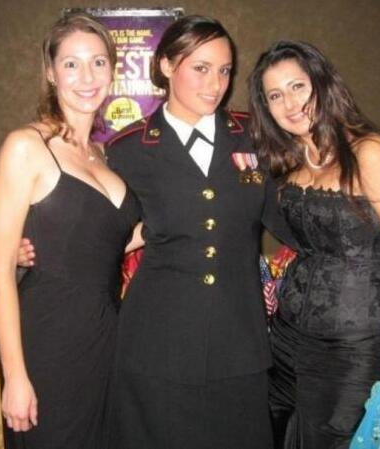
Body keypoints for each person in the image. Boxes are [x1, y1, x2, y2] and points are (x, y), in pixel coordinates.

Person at [104, 15, 294, 449]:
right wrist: (35, 249)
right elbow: (99, 233)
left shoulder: (255, 137)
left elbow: (290, 220)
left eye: (224, 70)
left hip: (238, 340)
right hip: (156, 341)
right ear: (167, 65)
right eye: (201, 68)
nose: (216, 84)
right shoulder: (127, 149)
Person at [248, 41, 380, 449]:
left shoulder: (371, 153)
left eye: (298, 86)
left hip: (354, 349)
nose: (289, 104)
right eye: (275, 95)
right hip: (286, 339)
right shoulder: (292, 159)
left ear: (322, 84)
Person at [0, 13, 140, 449]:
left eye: (98, 62)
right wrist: (16, 376)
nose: (86, 76)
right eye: (71, 64)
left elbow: (110, 240)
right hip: (49, 341)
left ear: (113, 70)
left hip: (107, 336)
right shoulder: (26, 147)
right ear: (51, 73)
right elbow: (0, 272)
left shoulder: (105, 154)